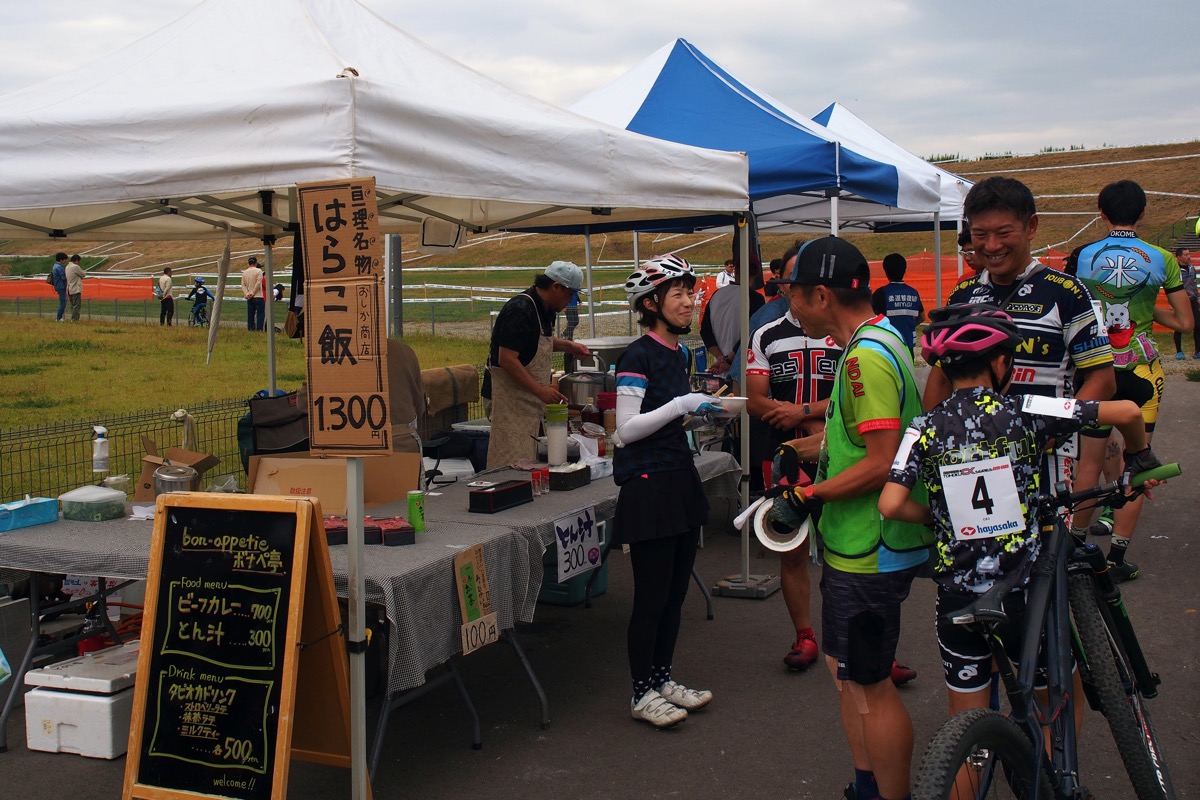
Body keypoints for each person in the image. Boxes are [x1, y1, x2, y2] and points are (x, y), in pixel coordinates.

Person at [879, 304, 1161, 727]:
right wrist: (1138, 456)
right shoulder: (1026, 409)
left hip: (958, 595)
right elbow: (1129, 412)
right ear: (1000, 362)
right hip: (1026, 591)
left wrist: (941, 517)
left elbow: (890, 504)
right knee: (1054, 710)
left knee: (965, 718)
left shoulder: (924, 426)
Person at [765, 236, 930, 800]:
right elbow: (860, 444)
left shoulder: (863, 358)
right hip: (860, 545)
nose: (791, 308)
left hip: (869, 547)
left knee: (867, 688)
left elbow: (883, 464)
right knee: (848, 676)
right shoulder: (879, 340)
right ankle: (866, 785)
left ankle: (887, 793)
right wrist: (803, 453)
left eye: (794, 296)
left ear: (820, 294)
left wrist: (812, 498)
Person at [924, 177, 1116, 553]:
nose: (991, 246)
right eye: (980, 235)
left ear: (1030, 227)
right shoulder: (963, 295)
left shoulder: (1067, 292)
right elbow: (940, 378)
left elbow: (1102, 380)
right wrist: (934, 439)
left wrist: (1049, 431)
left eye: (1003, 233)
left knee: (1045, 572)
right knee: (976, 569)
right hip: (970, 461)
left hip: (1043, 458)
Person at [612, 254, 721, 728]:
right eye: (678, 294)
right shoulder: (636, 355)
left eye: (690, 293)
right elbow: (625, 430)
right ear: (651, 303)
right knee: (651, 597)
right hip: (648, 486)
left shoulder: (683, 353)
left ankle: (662, 678)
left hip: (679, 476)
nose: (689, 302)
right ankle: (641, 693)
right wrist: (681, 403)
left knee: (677, 594)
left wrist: (703, 412)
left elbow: (670, 417)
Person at [1073, 180, 1192, 581]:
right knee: (1136, 463)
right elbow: (1185, 322)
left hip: (1096, 367)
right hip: (1142, 369)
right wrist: (1150, 316)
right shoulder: (1162, 258)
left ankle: (1072, 548)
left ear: (1102, 213)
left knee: (1088, 463)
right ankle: (1117, 560)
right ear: (1142, 214)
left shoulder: (1082, 256)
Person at [747, 242, 840, 672]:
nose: (796, 289)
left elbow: (853, 402)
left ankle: (867, 642)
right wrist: (785, 419)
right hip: (782, 454)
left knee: (848, 547)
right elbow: (754, 399)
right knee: (793, 549)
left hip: (836, 453)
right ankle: (805, 636)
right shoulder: (767, 334)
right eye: (791, 280)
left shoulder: (846, 335)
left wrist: (805, 413)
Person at [482, 261, 591, 469]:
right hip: (506, 399)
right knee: (510, 462)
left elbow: (535, 341)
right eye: (570, 295)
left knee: (527, 460)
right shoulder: (520, 310)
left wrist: (569, 346)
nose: (571, 301)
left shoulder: (544, 308)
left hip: (527, 399)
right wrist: (541, 391)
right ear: (556, 287)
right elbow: (507, 359)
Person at [700, 257, 764, 379]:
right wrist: (729, 360)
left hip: (720, 367)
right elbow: (751, 333)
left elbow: (705, 331)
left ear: (736, 270)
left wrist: (720, 357)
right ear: (757, 273)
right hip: (744, 370)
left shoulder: (717, 295)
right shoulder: (756, 298)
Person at [871, 253, 924, 352]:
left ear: (886, 272)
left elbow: (870, 317)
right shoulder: (913, 293)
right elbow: (922, 317)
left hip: (888, 346)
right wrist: (909, 325)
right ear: (905, 270)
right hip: (909, 345)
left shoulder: (881, 293)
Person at [1172, 247, 1199, 359]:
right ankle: (1179, 351)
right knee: (1180, 326)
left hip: (1193, 300)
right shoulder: (1175, 270)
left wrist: (1197, 297)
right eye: (1186, 255)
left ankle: (1198, 351)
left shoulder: (1192, 268)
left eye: (1189, 254)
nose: (1189, 257)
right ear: (1178, 257)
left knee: (1198, 325)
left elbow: (1193, 283)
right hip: (1181, 302)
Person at [241, 256, 265, 331]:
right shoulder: (259, 271)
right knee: (260, 314)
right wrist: (253, 292)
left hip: (249, 297)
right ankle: (259, 329)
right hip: (258, 296)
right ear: (255, 263)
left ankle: (250, 329)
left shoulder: (245, 272)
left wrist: (247, 293)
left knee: (250, 315)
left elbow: (243, 284)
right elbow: (258, 283)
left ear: (249, 263)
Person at [65, 254, 85, 323]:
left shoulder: (67, 267)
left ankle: (73, 318)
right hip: (75, 289)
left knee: (72, 305)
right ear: (76, 260)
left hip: (69, 289)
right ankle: (74, 320)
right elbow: (83, 274)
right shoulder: (75, 267)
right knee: (77, 305)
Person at [50, 252, 68, 322]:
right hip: (61, 286)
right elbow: (64, 277)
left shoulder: (55, 266)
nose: (65, 261)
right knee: (63, 303)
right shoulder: (59, 267)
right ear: (61, 260)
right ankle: (58, 317)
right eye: (64, 260)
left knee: (62, 302)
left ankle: (59, 317)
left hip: (58, 286)